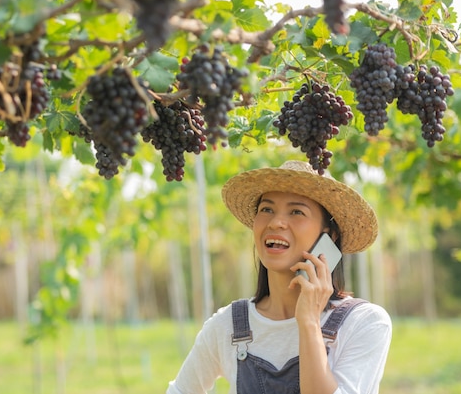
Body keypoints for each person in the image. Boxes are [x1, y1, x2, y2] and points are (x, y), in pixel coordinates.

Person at [166, 160, 392, 394]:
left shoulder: (364, 323)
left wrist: (309, 322)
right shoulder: (227, 326)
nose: (276, 222)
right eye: (267, 209)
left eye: (297, 211)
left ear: (330, 236)